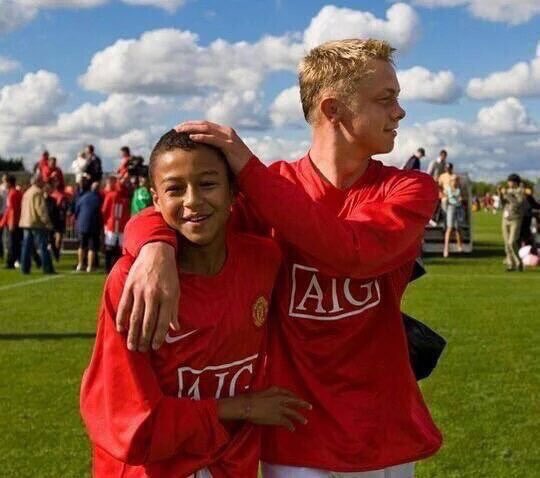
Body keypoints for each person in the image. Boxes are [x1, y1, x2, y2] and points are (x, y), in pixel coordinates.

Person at [117, 39, 442, 477]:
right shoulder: (270, 189)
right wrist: (155, 246)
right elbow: (181, 215)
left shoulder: (408, 189)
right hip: (293, 431)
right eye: (386, 99)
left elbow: (355, 251)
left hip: (383, 431)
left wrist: (250, 172)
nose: (399, 111)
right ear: (333, 110)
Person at [80, 129, 310, 477]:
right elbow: (130, 425)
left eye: (207, 184)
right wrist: (242, 407)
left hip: (233, 465)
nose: (193, 200)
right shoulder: (134, 281)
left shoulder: (264, 259)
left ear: (233, 191)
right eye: (175, 189)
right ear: (155, 200)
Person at [19, 175, 55, 274]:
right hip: (36, 223)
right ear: (37, 181)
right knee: (43, 246)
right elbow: (41, 209)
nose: (43, 183)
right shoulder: (38, 192)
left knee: (26, 247)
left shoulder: (27, 192)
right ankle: (47, 268)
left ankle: (24, 268)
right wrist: (47, 222)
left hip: (26, 222)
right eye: (41, 181)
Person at [101, 175, 130, 272]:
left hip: (115, 225)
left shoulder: (113, 195)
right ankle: (113, 267)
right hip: (116, 225)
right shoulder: (123, 195)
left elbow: (104, 211)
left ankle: (110, 267)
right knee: (117, 248)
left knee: (113, 247)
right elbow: (105, 211)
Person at [499, 174, 525, 272]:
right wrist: (500, 194)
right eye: (508, 181)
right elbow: (502, 204)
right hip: (505, 219)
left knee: (512, 242)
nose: (508, 183)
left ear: (515, 182)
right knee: (506, 243)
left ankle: (519, 262)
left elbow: (518, 203)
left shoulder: (520, 191)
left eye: (510, 181)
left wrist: (506, 195)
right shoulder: (508, 191)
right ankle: (511, 264)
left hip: (515, 219)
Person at [74, 179, 102, 273]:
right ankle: (89, 267)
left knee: (81, 246)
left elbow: (76, 211)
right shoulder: (98, 198)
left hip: (82, 224)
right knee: (91, 247)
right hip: (93, 225)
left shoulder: (83, 197)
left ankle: (80, 264)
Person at [0, 175, 23, 269]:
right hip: (18, 221)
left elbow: (11, 210)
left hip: (12, 222)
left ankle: (10, 262)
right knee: (16, 243)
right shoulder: (18, 193)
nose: (5, 184)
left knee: (10, 243)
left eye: (6, 182)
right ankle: (17, 260)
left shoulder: (12, 194)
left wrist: (10, 223)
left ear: (9, 183)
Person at [442, 176, 463, 258]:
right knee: (449, 228)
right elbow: (443, 196)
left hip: (459, 208)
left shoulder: (459, 189)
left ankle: (459, 247)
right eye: (454, 180)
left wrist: (461, 199)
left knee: (458, 228)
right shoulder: (447, 189)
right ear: (451, 181)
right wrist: (446, 198)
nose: (455, 182)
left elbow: (462, 197)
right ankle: (446, 249)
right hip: (451, 207)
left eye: (456, 180)